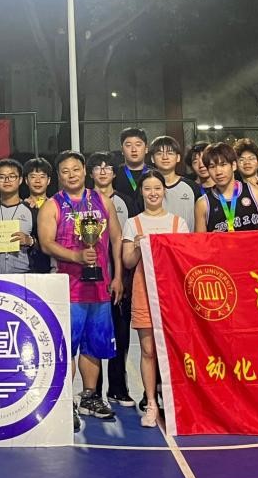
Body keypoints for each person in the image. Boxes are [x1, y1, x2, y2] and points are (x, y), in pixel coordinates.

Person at [37, 150, 124, 423]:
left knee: (94, 346)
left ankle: (89, 397)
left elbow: (117, 239)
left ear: (85, 170)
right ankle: (65, 402)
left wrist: (117, 276)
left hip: (99, 287)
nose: (71, 175)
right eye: (65, 171)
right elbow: (46, 243)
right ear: (58, 176)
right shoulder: (52, 205)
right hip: (67, 289)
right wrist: (76, 256)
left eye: (76, 169)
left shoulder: (103, 201)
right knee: (68, 347)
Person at [121, 170, 189, 428]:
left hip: (172, 295)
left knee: (174, 351)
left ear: (164, 191)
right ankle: (151, 403)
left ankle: (176, 403)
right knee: (148, 350)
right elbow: (128, 262)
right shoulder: (133, 223)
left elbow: (185, 260)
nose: (153, 193)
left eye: (157, 188)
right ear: (142, 192)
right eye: (148, 189)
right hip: (144, 292)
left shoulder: (178, 223)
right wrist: (138, 246)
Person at [88, 151, 135, 408]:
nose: (103, 171)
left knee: (120, 334)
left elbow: (128, 240)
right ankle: (92, 391)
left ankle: (118, 388)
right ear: (91, 173)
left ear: (114, 173)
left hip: (119, 278)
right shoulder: (84, 200)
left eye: (107, 167)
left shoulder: (126, 201)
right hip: (91, 278)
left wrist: (122, 277)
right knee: (93, 335)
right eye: (98, 167)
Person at [195, 142, 258, 232]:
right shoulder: (203, 204)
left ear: (234, 165)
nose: (218, 172)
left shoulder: (255, 193)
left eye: (223, 165)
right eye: (212, 167)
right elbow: (199, 239)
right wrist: (212, 237)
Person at [0, 158, 34, 274]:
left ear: (20, 180)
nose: (7, 180)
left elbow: (44, 243)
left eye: (12, 176)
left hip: (24, 275)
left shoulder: (31, 210)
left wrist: (30, 241)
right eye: (1, 177)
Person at [151, 135, 197, 231]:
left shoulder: (191, 187)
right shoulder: (146, 188)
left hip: (186, 240)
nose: (165, 157)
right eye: (159, 153)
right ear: (152, 158)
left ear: (178, 157)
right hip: (156, 239)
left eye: (170, 153)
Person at [23, 157, 55, 274]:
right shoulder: (20, 207)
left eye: (42, 177)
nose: (38, 181)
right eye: (33, 177)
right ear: (26, 180)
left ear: (49, 180)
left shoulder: (57, 207)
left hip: (52, 266)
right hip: (27, 268)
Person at [113, 127, 150, 215]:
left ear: (146, 149)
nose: (133, 150)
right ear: (122, 150)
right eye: (128, 145)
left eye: (138, 145)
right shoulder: (114, 174)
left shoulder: (154, 174)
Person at [233, 138, 258, 204]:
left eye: (251, 158)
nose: (247, 162)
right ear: (236, 165)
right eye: (242, 160)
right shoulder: (232, 191)